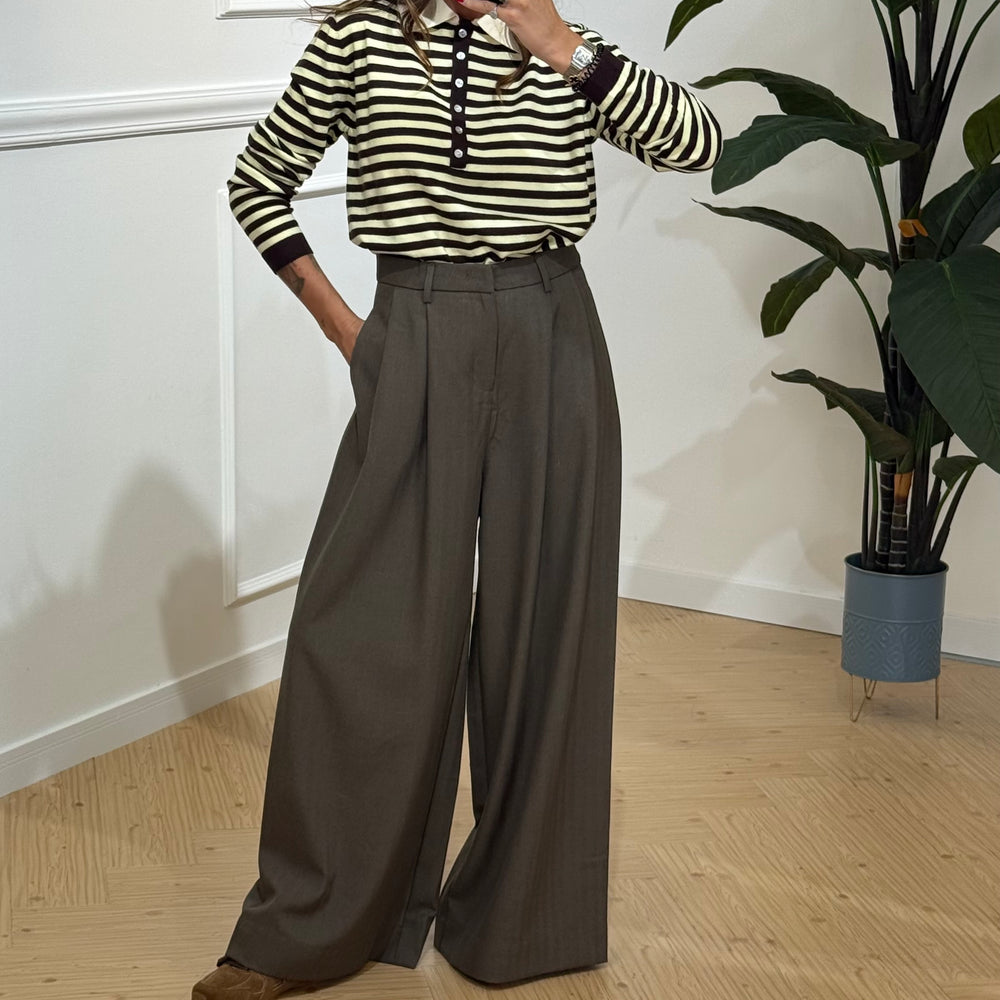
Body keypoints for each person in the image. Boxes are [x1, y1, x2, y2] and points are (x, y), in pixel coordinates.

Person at [192, 0, 720, 997]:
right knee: (361, 630)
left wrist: (560, 46)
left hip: (552, 331)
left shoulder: (562, 37)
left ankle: (524, 921)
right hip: (415, 327)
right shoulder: (358, 36)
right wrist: (349, 332)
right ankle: (306, 922)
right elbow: (257, 180)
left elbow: (698, 142)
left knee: (542, 631)